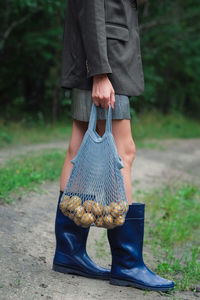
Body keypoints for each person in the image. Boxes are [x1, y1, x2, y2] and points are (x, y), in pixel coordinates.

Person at [52, 0, 174, 292]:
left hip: (99, 56)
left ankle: (69, 251)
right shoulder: (101, 69)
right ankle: (127, 263)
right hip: (103, 61)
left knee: (78, 147)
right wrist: (100, 72)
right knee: (124, 151)